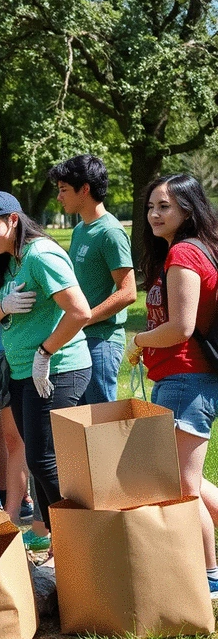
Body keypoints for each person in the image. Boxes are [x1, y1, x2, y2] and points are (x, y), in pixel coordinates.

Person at [0, 191, 92, 550]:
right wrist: (3, 305)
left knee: (44, 459)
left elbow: (80, 312)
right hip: (21, 372)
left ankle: (78, 539)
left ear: (14, 219)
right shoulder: (4, 258)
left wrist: (45, 352)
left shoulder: (40, 255)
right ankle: (62, 539)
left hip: (58, 369)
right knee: (40, 460)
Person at [126, 174, 218, 598]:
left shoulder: (183, 252)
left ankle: (210, 579)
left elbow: (179, 328)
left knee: (181, 486)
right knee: (192, 482)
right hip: (186, 378)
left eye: (165, 205)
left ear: (188, 208)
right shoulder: (196, 249)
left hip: (185, 379)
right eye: (151, 206)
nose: (155, 214)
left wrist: (139, 341)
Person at [49, 154, 136, 403]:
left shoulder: (111, 232)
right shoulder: (79, 230)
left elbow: (128, 292)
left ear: (84, 189)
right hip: (78, 337)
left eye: (64, 190)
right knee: (79, 425)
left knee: (102, 425)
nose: (59, 197)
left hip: (102, 341)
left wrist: (84, 319)